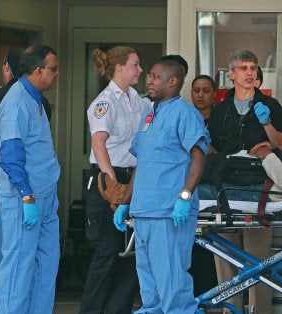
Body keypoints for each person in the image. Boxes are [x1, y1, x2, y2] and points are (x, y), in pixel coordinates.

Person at [198, 50, 282, 314]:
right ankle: (230, 308)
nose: (249, 73)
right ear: (232, 75)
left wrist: (268, 125)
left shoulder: (270, 106)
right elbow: (212, 148)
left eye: (253, 67)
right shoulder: (220, 109)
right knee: (224, 255)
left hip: (257, 185)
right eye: (243, 68)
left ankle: (258, 310)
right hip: (224, 186)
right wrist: (203, 142)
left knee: (258, 257)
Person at [112, 56, 207, 313]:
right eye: (149, 76)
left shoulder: (185, 113)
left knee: (172, 282)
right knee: (149, 284)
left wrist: (184, 198)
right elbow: (142, 164)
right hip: (143, 210)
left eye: (155, 76)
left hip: (168, 211)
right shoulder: (149, 115)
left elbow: (199, 158)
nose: (149, 81)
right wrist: (124, 203)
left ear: (173, 81)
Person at [0, 47, 51, 311]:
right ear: (33, 70)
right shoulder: (24, 101)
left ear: (8, 68)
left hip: (4, 187)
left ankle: (1, 305)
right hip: (17, 187)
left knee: (5, 252)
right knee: (17, 254)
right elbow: (11, 151)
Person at [79, 46, 149, 314]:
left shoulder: (138, 100)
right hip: (108, 180)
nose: (140, 70)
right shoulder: (104, 101)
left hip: (133, 180)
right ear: (119, 67)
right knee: (107, 253)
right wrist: (112, 184)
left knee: (130, 256)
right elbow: (99, 144)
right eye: (135, 64)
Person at [0, 44, 60, 313]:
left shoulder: (36, 100)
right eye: (53, 69)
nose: (57, 74)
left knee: (47, 264)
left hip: (45, 196)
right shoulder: (16, 102)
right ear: (37, 70)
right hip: (25, 198)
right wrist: (27, 195)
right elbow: (10, 155)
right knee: (19, 264)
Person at [188, 74, 219, 297]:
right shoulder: (186, 117)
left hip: (213, 185)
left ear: (214, 93)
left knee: (211, 247)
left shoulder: (220, 119)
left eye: (206, 90)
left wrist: (210, 147)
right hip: (188, 182)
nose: (200, 95)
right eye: (196, 90)